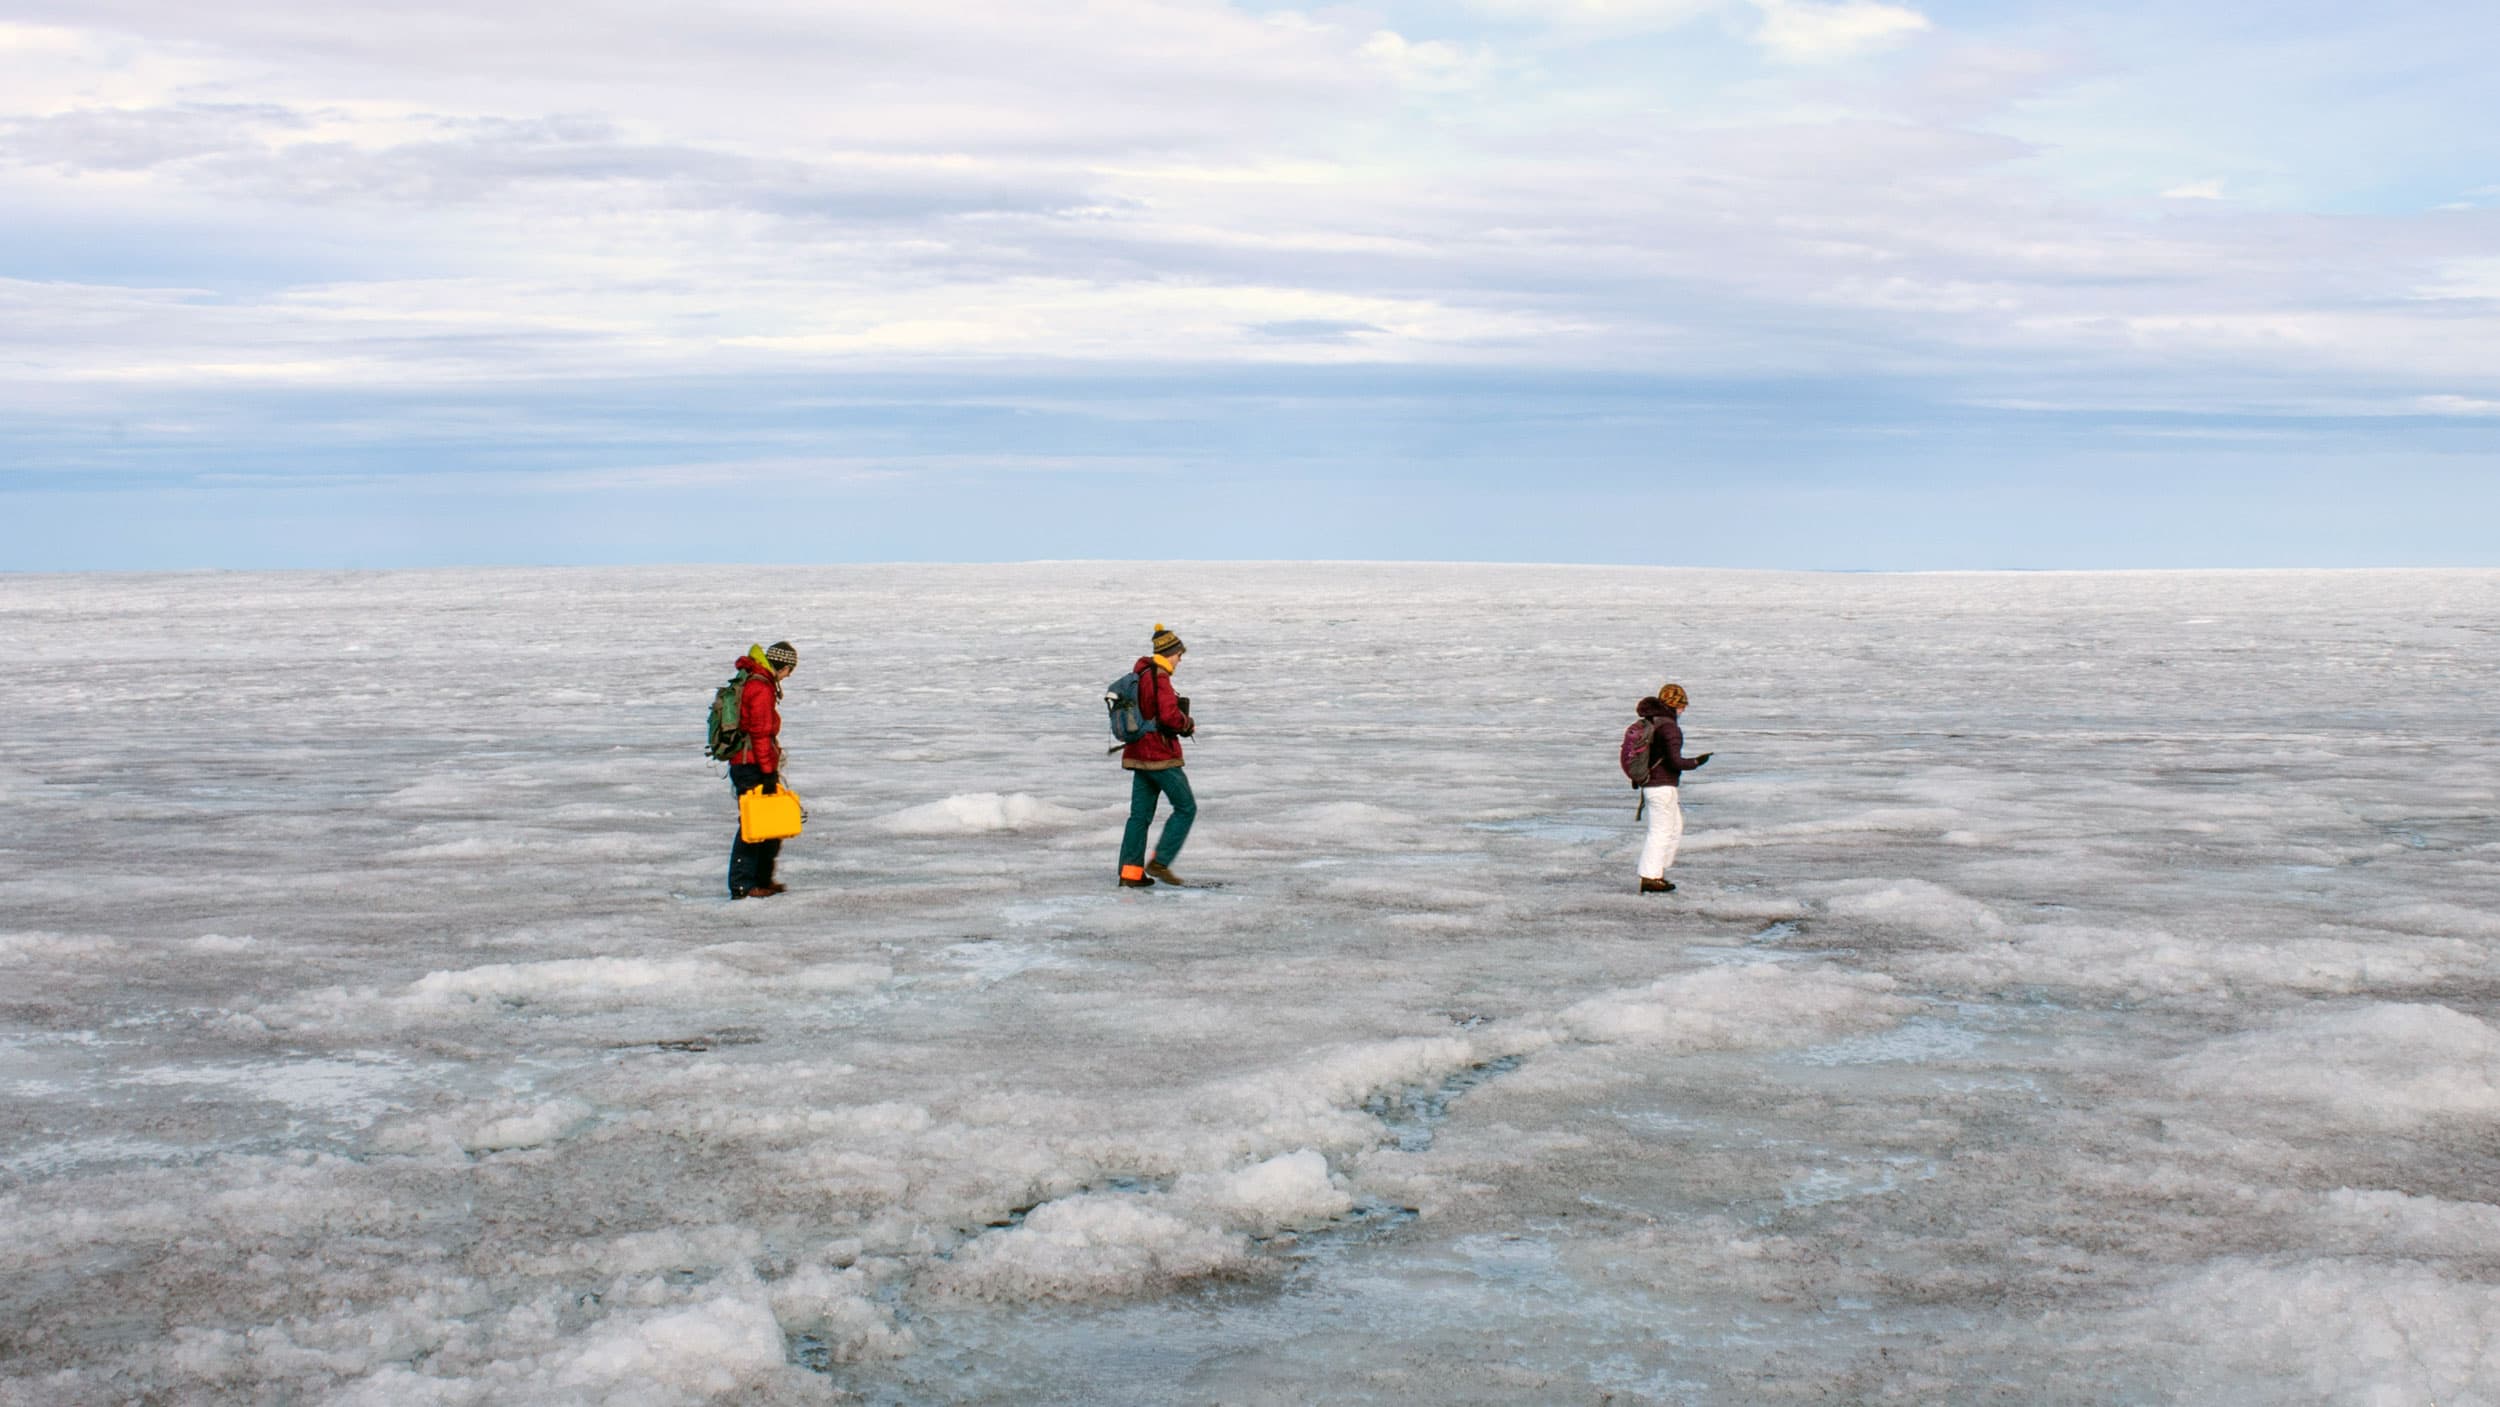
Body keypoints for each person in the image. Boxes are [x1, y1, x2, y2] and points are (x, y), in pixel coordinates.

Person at [1117, 624, 1197, 888]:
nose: (1180, 659)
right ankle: (1160, 861)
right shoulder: (1160, 678)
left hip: (1138, 754)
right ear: (1170, 652)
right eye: (1179, 654)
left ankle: (1130, 874)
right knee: (1186, 807)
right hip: (1160, 755)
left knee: (1139, 817)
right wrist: (1187, 723)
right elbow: (1168, 717)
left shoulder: (1140, 675)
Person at [727, 641, 798, 899]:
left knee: (767, 824)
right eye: (790, 670)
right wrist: (768, 772)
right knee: (753, 824)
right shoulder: (761, 687)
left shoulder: (756, 681)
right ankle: (743, 886)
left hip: (749, 762)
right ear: (785, 667)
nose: (789, 676)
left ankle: (760, 880)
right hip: (750, 764)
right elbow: (760, 733)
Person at [1631, 682, 1711, 893]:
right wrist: (1696, 762)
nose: (1683, 710)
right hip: (1661, 786)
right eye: (1682, 705)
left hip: (1655, 785)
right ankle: (1650, 877)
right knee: (1661, 831)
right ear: (1674, 705)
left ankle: (1657, 871)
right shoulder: (1669, 728)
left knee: (1674, 827)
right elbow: (1675, 762)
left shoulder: (1652, 722)